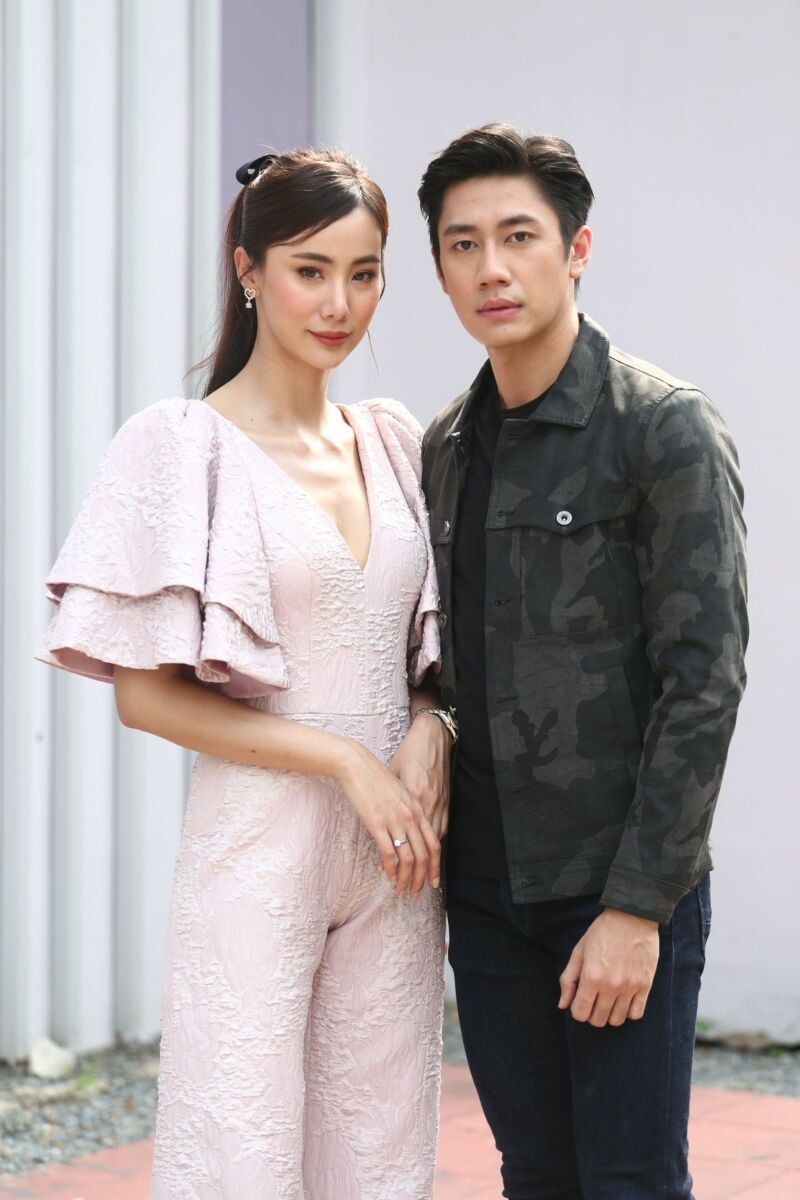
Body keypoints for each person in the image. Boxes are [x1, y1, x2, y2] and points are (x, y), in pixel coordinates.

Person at [40, 147, 453, 1199]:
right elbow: (143, 696)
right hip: (257, 849)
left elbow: (428, 652)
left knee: (381, 1164)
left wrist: (429, 725)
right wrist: (343, 762)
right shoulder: (184, 446)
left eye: (363, 273)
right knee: (241, 1165)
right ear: (248, 270)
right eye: (310, 270)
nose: (338, 303)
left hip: (397, 860)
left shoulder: (394, 442)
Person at [417, 123, 748, 1200]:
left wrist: (638, 909)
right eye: (462, 244)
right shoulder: (443, 447)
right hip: (486, 896)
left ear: (577, 249)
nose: (491, 268)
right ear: (439, 268)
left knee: (629, 1180)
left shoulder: (661, 430)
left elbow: (703, 682)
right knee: (535, 1176)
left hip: (613, 886)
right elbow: (445, 656)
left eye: (518, 236)